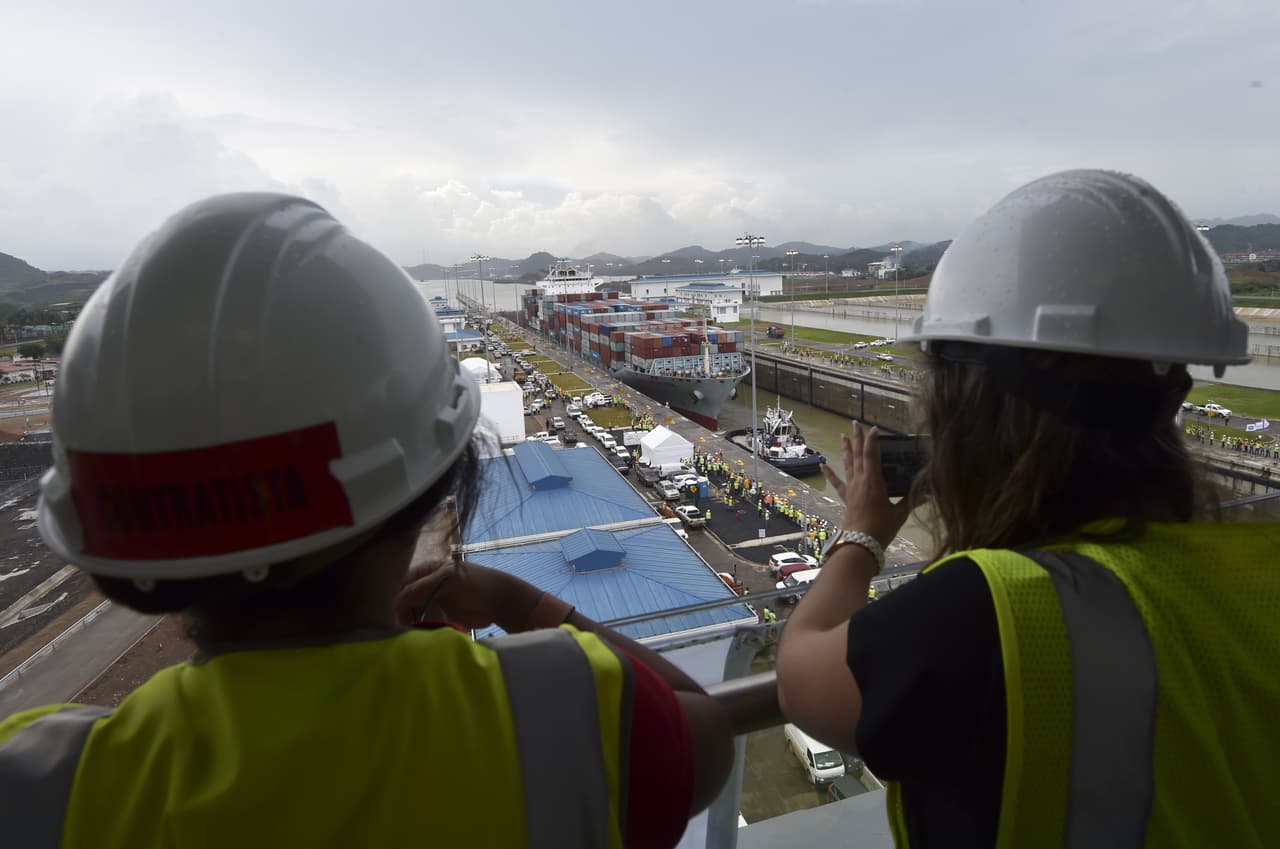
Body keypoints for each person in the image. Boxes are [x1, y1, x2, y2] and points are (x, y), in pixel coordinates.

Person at [0, 194, 732, 848]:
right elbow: (702, 732)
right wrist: (514, 600)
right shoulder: (559, 708)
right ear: (432, 484)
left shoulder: (41, 785)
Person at [775, 170, 1280, 848]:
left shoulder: (982, 609)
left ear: (968, 406)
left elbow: (800, 673)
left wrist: (860, 535)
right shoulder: (1263, 560)